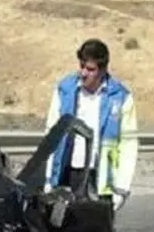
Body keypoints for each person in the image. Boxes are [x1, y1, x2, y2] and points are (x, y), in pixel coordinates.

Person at [44, 39, 139, 212]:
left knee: (96, 228)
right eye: (81, 66)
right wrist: (48, 178)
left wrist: (122, 187)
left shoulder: (121, 97)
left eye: (90, 69)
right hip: (67, 175)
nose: (83, 73)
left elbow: (128, 145)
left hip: (100, 179)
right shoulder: (64, 90)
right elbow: (51, 136)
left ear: (103, 70)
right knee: (61, 227)